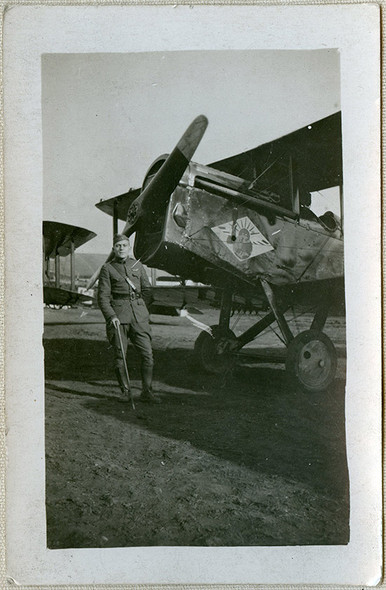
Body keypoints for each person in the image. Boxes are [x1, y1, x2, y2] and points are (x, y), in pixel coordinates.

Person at [98, 234, 160, 404]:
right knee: (120, 356)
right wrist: (112, 316)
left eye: (124, 245)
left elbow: (148, 291)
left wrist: (142, 308)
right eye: (118, 246)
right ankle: (125, 392)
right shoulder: (108, 268)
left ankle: (147, 392)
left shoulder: (137, 265)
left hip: (139, 317)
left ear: (129, 247)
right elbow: (103, 297)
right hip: (119, 317)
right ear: (113, 249)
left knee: (148, 354)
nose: (121, 248)